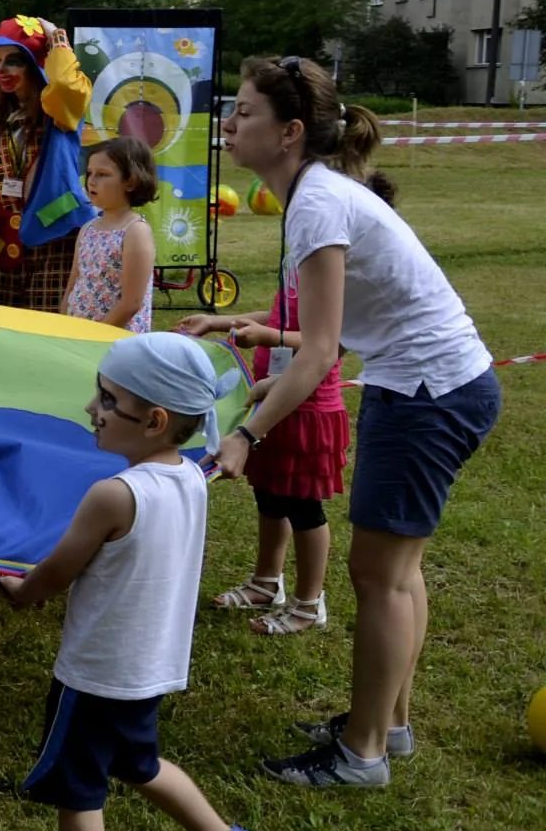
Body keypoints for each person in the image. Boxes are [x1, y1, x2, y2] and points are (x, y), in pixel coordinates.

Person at [213, 56, 501, 789]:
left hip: (431, 394)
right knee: (396, 575)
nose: (230, 122)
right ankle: (388, 725)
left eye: (245, 112)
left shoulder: (316, 203)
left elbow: (316, 356)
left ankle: (363, 754)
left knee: (379, 575)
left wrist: (248, 436)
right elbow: (328, 338)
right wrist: (266, 343)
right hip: (431, 386)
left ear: (291, 132)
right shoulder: (318, 194)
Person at [0, 333, 262, 831]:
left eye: (107, 399)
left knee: (79, 792)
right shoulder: (191, 478)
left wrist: (20, 592)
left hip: (95, 674)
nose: (92, 407)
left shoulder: (113, 495)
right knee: (137, 762)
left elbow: (57, 572)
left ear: (155, 420)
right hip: (150, 664)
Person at [176, 264, 356, 636]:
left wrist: (269, 336)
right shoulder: (299, 263)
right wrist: (221, 321)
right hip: (269, 406)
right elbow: (276, 318)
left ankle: (310, 603)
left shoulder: (338, 270)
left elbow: (329, 340)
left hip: (308, 410)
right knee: (270, 497)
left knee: (304, 507)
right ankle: (266, 582)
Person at [0, 16, 95, 309]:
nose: (0, 69)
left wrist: (56, 37)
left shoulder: (59, 109)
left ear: (35, 63)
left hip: (59, 247)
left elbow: (68, 86)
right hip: (3, 250)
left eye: (14, 60)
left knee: (49, 340)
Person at [62, 137, 157, 332]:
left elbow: (131, 302)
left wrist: (98, 334)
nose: (92, 181)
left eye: (103, 174)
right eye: (89, 173)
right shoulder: (88, 229)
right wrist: (65, 319)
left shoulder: (135, 231)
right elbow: (74, 280)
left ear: (130, 182)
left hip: (113, 341)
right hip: (78, 335)